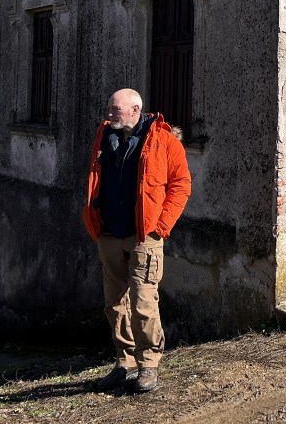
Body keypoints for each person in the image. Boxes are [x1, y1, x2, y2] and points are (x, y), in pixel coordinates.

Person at [82, 88, 191, 394]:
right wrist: (96, 222)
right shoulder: (104, 135)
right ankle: (124, 363)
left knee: (143, 303)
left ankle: (148, 366)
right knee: (114, 304)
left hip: (145, 236)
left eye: (114, 110)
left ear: (134, 110)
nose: (109, 115)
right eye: (109, 109)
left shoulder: (163, 140)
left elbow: (181, 185)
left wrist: (161, 225)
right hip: (109, 233)